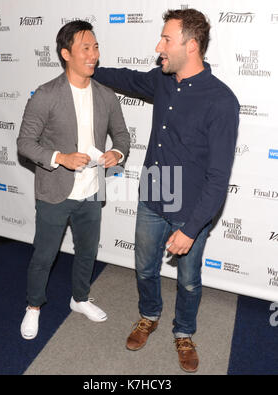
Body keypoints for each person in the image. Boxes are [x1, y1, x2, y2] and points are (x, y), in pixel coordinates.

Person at [92, 8, 239, 372]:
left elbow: (219, 178)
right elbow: (125, 78)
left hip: (193, 208)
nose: (158, 46)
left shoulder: (221, 101)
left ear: (191, 46)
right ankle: (149, 315)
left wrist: (190, 229)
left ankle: (184, 332)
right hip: (154, 193)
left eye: (166, 40)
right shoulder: (161, 80)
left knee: (189, 281)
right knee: (144, 268)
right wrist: (89, 69)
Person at [17, 20, 129, 340]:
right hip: (55, 190)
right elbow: (25, 143)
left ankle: (80, 299)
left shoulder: (106, 95)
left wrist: (117, 154)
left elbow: (121, 135)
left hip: (92, 191)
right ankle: (34, 306)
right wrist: (60, 159)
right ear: (66, 54)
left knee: (87, 252)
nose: (93, 54)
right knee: (45, 255)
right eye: (85, 48)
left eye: (95, 47)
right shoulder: (46, 95)